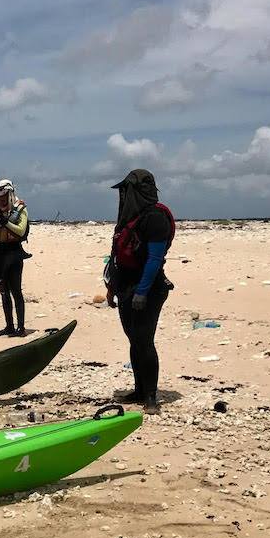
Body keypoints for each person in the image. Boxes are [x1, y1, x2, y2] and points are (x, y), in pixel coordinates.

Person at [105, 169, 175, 413]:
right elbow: (116, 255)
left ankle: (151, 397)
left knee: (144, 340)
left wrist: (142, 292)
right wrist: (111, 287)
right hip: (126, 285)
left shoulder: (155, 218)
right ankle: (138, 389)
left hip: (149, 287)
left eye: (126, 190)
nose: (123, 196)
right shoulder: (129, 218)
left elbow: (154, 259)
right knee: (133, 339)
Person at [0, 178, 30, 336]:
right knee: (2, 289)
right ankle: (9, 326)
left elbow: (20, 231)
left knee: (16, 290)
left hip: (14, 252)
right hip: (0, 251)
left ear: (9, 195)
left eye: (3, 197)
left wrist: (4, 222)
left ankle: (20, 328)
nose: (1, 201)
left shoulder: (20, 209)